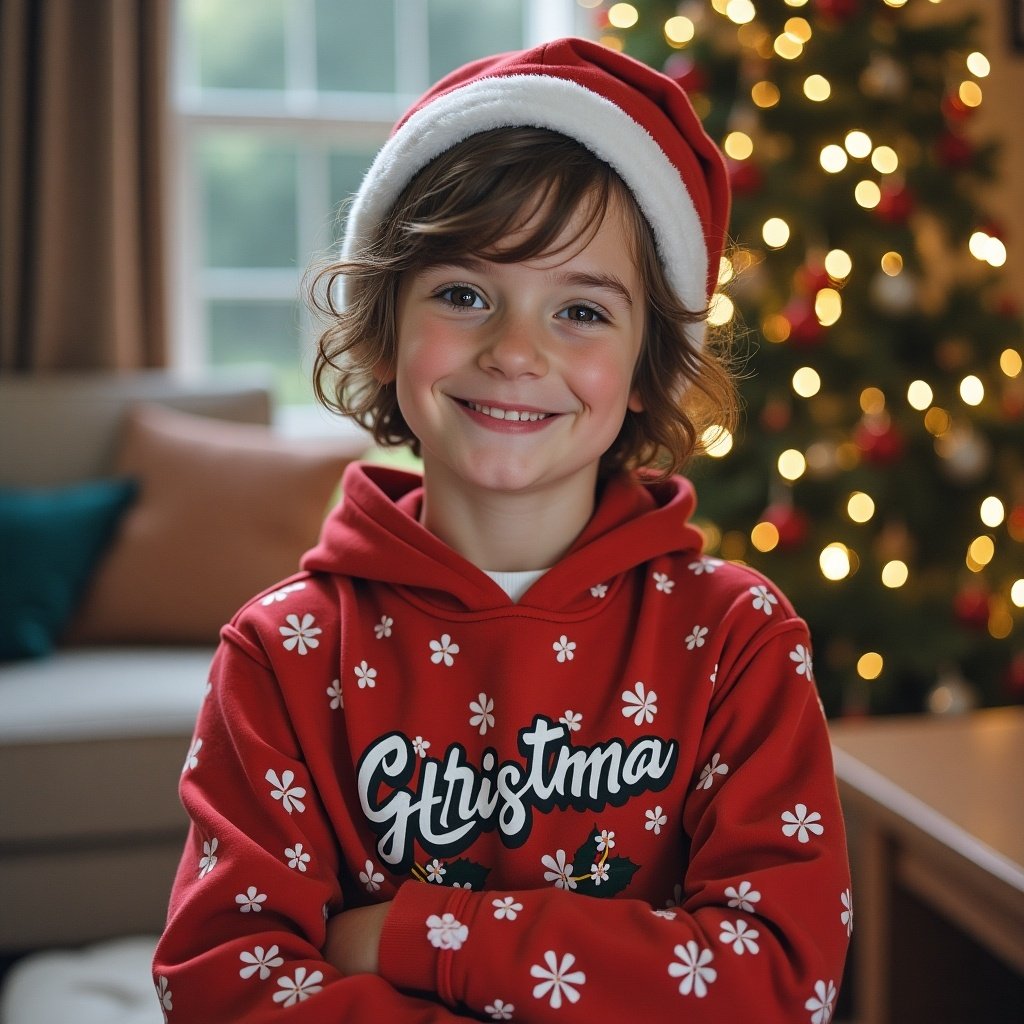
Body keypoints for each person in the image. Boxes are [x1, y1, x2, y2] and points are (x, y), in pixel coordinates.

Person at [154, 36, 851, 1022]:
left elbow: (778, 978)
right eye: (464, 294)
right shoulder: (280, 655)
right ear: (386, 320)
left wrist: (412, 934)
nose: (516, 351)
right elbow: (224, 983)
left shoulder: (736, 642)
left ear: (649, 365)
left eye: (578, 309)